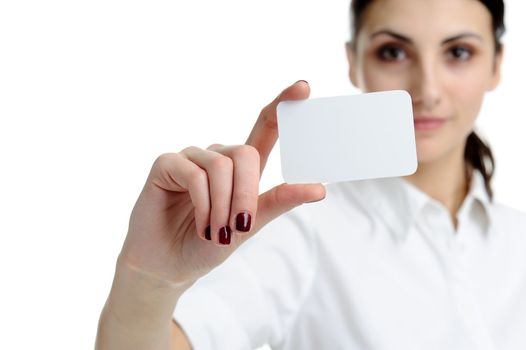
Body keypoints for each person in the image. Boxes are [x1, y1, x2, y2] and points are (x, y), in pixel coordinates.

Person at [96, 0, 526, 349]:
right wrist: (146, 281)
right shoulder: (301, 230)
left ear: (496, 65)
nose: (428, 89)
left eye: (458, 53)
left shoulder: (517, 237)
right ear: (353, 62)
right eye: (393, 52)